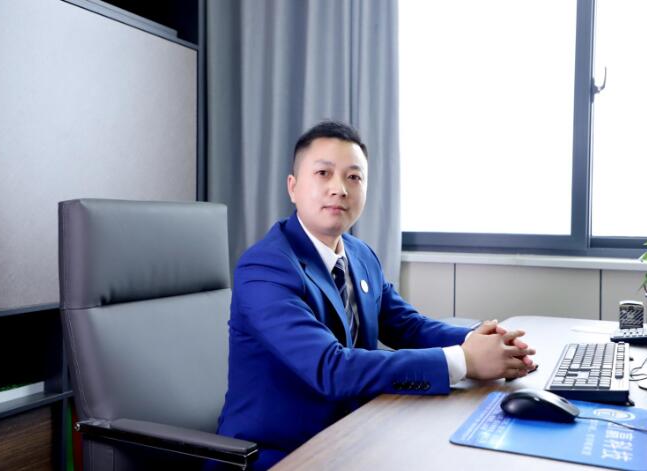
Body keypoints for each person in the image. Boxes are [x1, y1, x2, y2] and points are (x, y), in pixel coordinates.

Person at [216, 121, 536, 470]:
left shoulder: (360, 254)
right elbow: (331, 368)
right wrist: (463, 361)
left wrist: (484, 341)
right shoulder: (265, 266)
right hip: (277, 453)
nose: (339, 189)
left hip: (353, 434)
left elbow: (407, 326)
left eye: (354, 177)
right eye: (323, 173)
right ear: (293, 187)